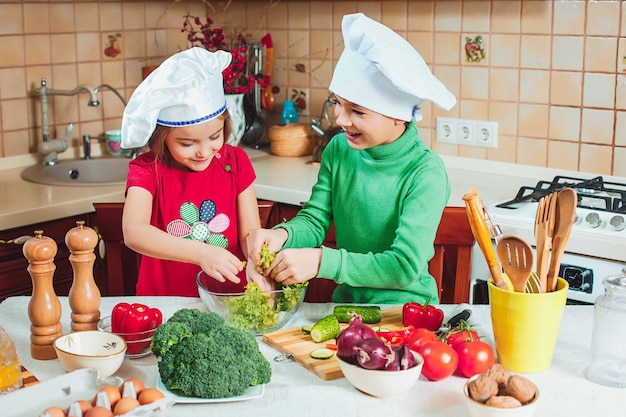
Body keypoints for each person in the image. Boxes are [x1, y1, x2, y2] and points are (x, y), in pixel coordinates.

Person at [247, 13, 456, 304]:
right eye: (338, 103)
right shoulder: (338, 150)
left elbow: (404, 266)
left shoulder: (425, 173)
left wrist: (322, 262)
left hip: (407, 311)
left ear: (398, 115)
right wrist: (281, 235)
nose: (341, 119)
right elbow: (314, 219)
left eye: (357, 111)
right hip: (346, 306)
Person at [120, 47, 260, 296]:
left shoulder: (236, 161)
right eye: (187, 144)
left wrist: (259, 267)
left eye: (215, 136)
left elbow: (250, 234)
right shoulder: (147, 170)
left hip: (227, 298)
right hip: (165, 301)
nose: (204, 151)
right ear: (161, 138)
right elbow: (134, 232)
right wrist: (201, 253)